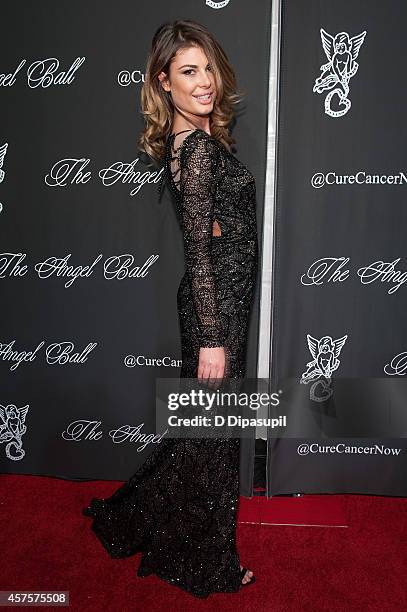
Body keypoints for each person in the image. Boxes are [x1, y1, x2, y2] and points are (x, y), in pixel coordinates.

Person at [82, 19, 259, 599]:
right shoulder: (200, 149)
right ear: (163, 82)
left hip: (220, 301)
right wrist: (213, 336)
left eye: (207, 67)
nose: (204, 81)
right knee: (211, 439)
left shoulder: (191, 143)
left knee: (199, 431)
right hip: (217, 308)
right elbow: (199, 247)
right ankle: (206, 562)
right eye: (188, 71)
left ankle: (146, 519)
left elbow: (212, 230)